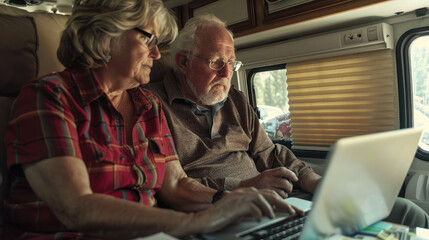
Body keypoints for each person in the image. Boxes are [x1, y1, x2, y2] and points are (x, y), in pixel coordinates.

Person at [3, 1, 302, 239]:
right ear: (106, 34)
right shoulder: (48, 97)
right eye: (150, 40)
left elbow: (178, 185)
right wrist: (200, 221)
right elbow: (76, 208)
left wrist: (231, 202)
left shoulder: (146, 105)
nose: (158, 54)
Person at [144, 14, 429, 228]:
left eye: (232, 64)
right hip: (220, 212)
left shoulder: (236, 100)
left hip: (276, 200)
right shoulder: (151, 106)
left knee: (407, 212)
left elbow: (270, 153)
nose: (226, 74)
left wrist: (313, 179)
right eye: (217, 62)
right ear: (182, 63)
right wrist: (242, 189)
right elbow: (174, 186)